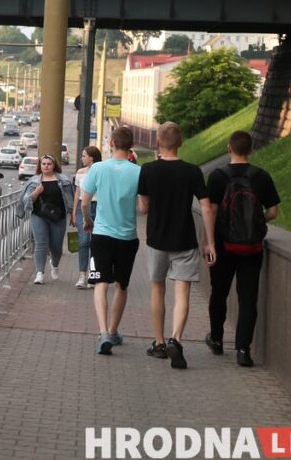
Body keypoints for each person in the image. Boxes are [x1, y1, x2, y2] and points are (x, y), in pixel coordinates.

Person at [136, 122, 216, 369]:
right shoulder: (192, 171)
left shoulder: (148, 170)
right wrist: (210, 242)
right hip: (185, 239)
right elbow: (206, 207)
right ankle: (176, 340)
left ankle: (159, 343)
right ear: (181, 142)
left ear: (158, 142)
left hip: (157, 239)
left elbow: (143, 208)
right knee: (183, 293)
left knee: (157, 288)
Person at [206, 130, 280, 368]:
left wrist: (210, 241)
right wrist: (254, 224)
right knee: (248, 298)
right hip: (251, 248)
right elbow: (273, 212)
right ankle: (243, 350)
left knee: (219, 293)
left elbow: (212, 211)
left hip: (223, 245)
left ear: (229, 148)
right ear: (251, 150)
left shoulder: (217, 176)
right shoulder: (262, 176)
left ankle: (216, 340)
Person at [80, 126, 141, 355]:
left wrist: (88, 221)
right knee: (121, 285)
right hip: (127, 237)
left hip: (101, 235)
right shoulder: (138, 172)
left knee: (100, 282)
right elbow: (144, 207)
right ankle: (114, 331)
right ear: (131, 146)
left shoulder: (97, 168)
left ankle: (103, 331)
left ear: (111, 144)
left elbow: (84, 203)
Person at [19, 154, 75, 285]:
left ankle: (54, 264)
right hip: (39, 216)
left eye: (49, 164)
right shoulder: (34, 181)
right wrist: (36, 192)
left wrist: (73, 214)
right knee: (41, 244)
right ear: (40, 165)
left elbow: (71, 198)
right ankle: (40, 273)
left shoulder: (64, 180)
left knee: (56, 247)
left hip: (58, 217)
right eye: (43, 164)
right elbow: (26, 200)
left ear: (54, 165)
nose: (46, 166)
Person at [70, 145, 103, 289]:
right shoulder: (80, 172)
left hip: (98, 207)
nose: (81, 158)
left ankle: (93, 275)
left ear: (92, 157)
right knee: (83, 242)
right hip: (81, 207)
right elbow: (78, 192)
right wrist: (73, 212)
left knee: (95, 243)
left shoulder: (101, 172)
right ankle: (82, 275)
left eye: (84, 156)